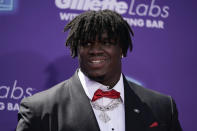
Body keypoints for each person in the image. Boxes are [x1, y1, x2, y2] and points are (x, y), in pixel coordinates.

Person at [16, 10, 182, 131]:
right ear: (76, 49)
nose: (96, 50)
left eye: (106, 42)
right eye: (87, 43)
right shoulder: (40, 109)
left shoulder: (162, 107)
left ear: (122, 49)